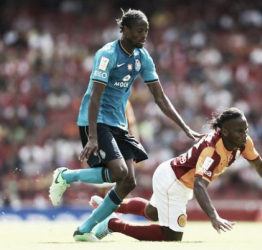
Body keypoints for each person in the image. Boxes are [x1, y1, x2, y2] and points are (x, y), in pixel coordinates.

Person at [48, 8, 202, 242]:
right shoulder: (107, 54)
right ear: (126, 30)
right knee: (118, 172)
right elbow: (95, 96)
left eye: (147, 31)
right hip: (95, 119)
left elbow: (160, 98)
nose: (144, 35)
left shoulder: (143, 57)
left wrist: (185, 128)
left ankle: (85, 229)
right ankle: (65, 177)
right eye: (140, 30)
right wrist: (92, 136)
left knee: (128, 180)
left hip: (118, 122)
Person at [89, 107, 262, 242]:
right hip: (173, 180)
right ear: (224, 132)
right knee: (171, 235)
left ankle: (110, 205)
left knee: (152, 212)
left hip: (175, 176)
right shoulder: (212, 151)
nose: (245, 134)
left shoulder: (242, 142)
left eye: (246, 129)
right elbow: (199, 186)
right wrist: (213, 216)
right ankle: (112, 224)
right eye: (240, 130)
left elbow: (260, 165)